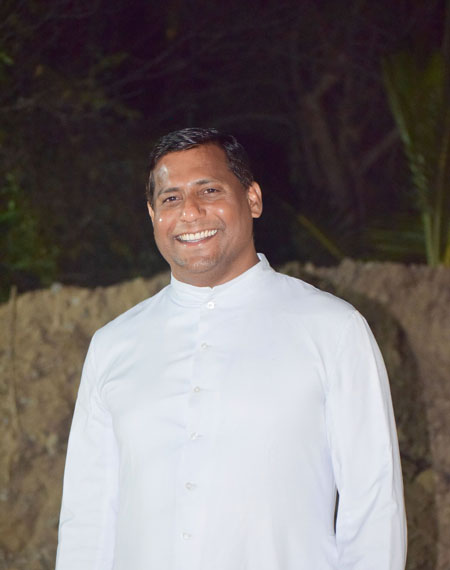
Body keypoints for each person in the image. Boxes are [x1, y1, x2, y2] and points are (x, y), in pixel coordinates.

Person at [55, 127, 407, 570]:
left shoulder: (332, 329)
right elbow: (87, 517)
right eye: (171, 198)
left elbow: (374, 508)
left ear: (253, 199)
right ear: (152, 214)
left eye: (209, 190)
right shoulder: (114, 344)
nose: (190, 211)